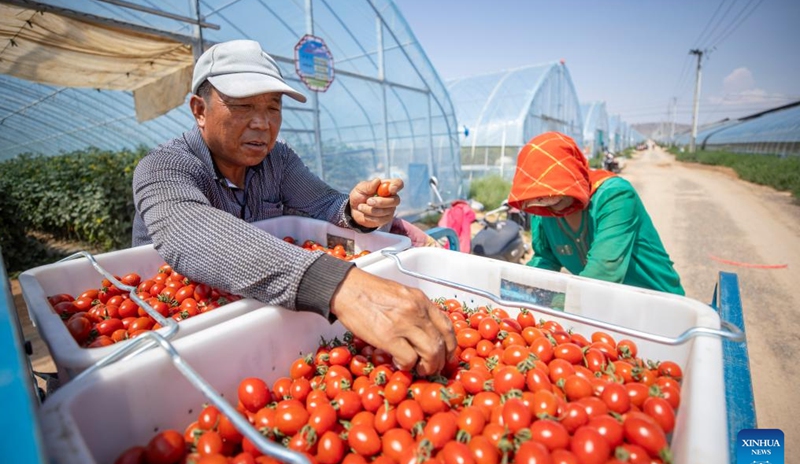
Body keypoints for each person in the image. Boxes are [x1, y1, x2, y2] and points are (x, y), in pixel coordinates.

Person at [132, 39, 455, 375]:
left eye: (273, 107)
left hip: (264, 330)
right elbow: (187, 230)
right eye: (243, 105)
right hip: (176, 336)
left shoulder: (278, 160)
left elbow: (324, 203)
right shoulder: (163, 168)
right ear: (200, 110)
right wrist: (341, 287)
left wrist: (356, 213)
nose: (262, 123)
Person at [507, 131, 684, 295]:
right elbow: (546, 258)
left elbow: (603, 273)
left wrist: (556, 303)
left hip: (657, 301)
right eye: (538, 195)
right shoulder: (543, 211)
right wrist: (521, 288)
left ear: (572, 174)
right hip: (604, 308)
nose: (546, 199)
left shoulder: (614, 196)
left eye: (555, 188)